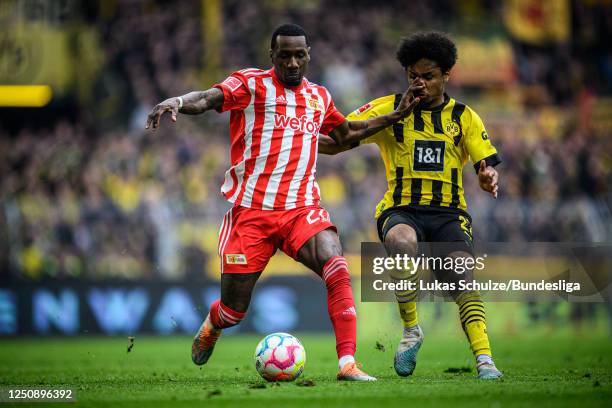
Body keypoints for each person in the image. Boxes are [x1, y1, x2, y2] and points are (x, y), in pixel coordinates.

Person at [146, 23, 420, 381]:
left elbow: (346, 133)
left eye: (299, 55)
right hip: (252, 214)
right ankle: (215, 322)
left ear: (308, 56)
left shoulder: (319, 97)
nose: (292, 62)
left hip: (301, 210)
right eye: (285, 55)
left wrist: (393, 117)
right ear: (271, 56)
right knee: (234, 312)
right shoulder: (250, 84)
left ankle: (347, 364)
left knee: (335, 263)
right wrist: (179, 101)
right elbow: (208, 99)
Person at [319, 31, 503, 380]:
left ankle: (484, 359)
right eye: (413, 76)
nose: (419, 83)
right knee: (401, 241)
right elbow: (338, 139)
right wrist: (297, 142)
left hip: (449, 213)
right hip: (401, 209)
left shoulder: (464, 117)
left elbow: (485, 163)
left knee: (461, 273)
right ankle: (411, 330)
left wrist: (487, 175)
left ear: (447, 74)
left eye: (428, 76)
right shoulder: (388, 108)